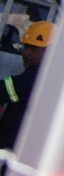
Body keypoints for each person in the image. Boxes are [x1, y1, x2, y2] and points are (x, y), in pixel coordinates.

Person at [0, 22, 52, 151]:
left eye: (33, 49)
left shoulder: (37, 76)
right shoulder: (48, 74)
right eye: (26, 47)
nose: (26, 53)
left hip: (15, 148)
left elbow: (5, 90)